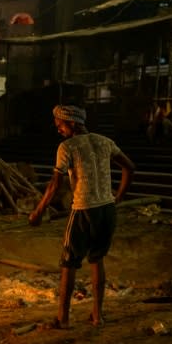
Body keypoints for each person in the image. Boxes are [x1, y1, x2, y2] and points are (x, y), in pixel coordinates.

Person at [28, 104, 135, 329]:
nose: (58, 130)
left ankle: (63, 319)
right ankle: (97, 316)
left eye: (60, 125)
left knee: (69, 263)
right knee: (97, 260)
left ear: (73, 123)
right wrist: (119, 196)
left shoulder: (67, 147)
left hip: (83, 210)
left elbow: (55, 183)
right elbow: (129, 168)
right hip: (107, 210)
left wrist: (38, 211)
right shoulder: (105, 142)